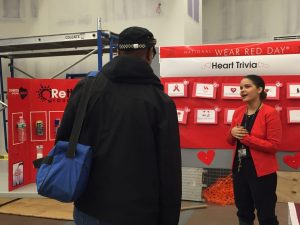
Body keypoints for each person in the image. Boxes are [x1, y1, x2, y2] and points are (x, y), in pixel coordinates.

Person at [56, 26, 182, 225]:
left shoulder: (87, 88)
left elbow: (63, 139)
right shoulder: (160, 103)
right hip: (137, 213)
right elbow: (169, 171)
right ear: (150, 53)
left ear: (117, 52)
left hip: (88, 208)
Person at [227, 75, 282, 225]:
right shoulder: (238, 112)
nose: (242, 90)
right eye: (241, 88)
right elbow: (230, 141)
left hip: (262, 172)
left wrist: (247, 139)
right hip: (240, 169)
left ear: (259, 89)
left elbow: (274, 146)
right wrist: (231, 133)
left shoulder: (270, 113)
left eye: (247, 86)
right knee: (243, 212)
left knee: (266, 214)